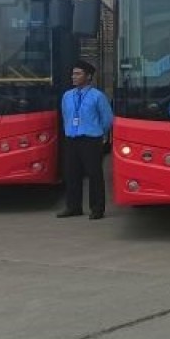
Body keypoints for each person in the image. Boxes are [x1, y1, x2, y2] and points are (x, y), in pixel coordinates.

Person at [57, 61, 114, 220]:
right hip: (71, 139)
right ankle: (73, 207)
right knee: (71, 173)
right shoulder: (67, 96)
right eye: (73, 74)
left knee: (94, 174)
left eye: (78, 74)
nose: (73, 77)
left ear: (88, 76)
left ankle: (97, 208)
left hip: (91, 139)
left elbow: (107, 118)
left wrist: (100, 133)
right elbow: (65, 115)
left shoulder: (98, 96)